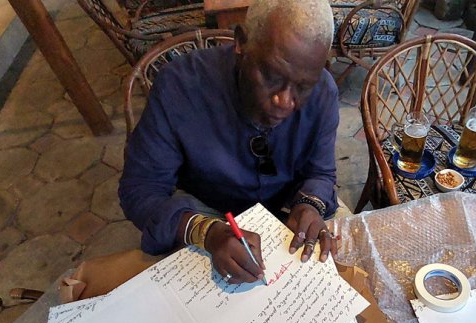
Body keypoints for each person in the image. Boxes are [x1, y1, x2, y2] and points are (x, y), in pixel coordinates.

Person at [120, 0, 339, 285]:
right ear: (241, 42)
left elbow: (321, 173)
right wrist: (203, 230)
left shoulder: (323, 92)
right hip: (208, 210)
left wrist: (310, 204)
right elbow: (140, 188)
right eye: (271, 77)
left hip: (287, 209)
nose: (284, 101)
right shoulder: (181, 86)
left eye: (302, 87)